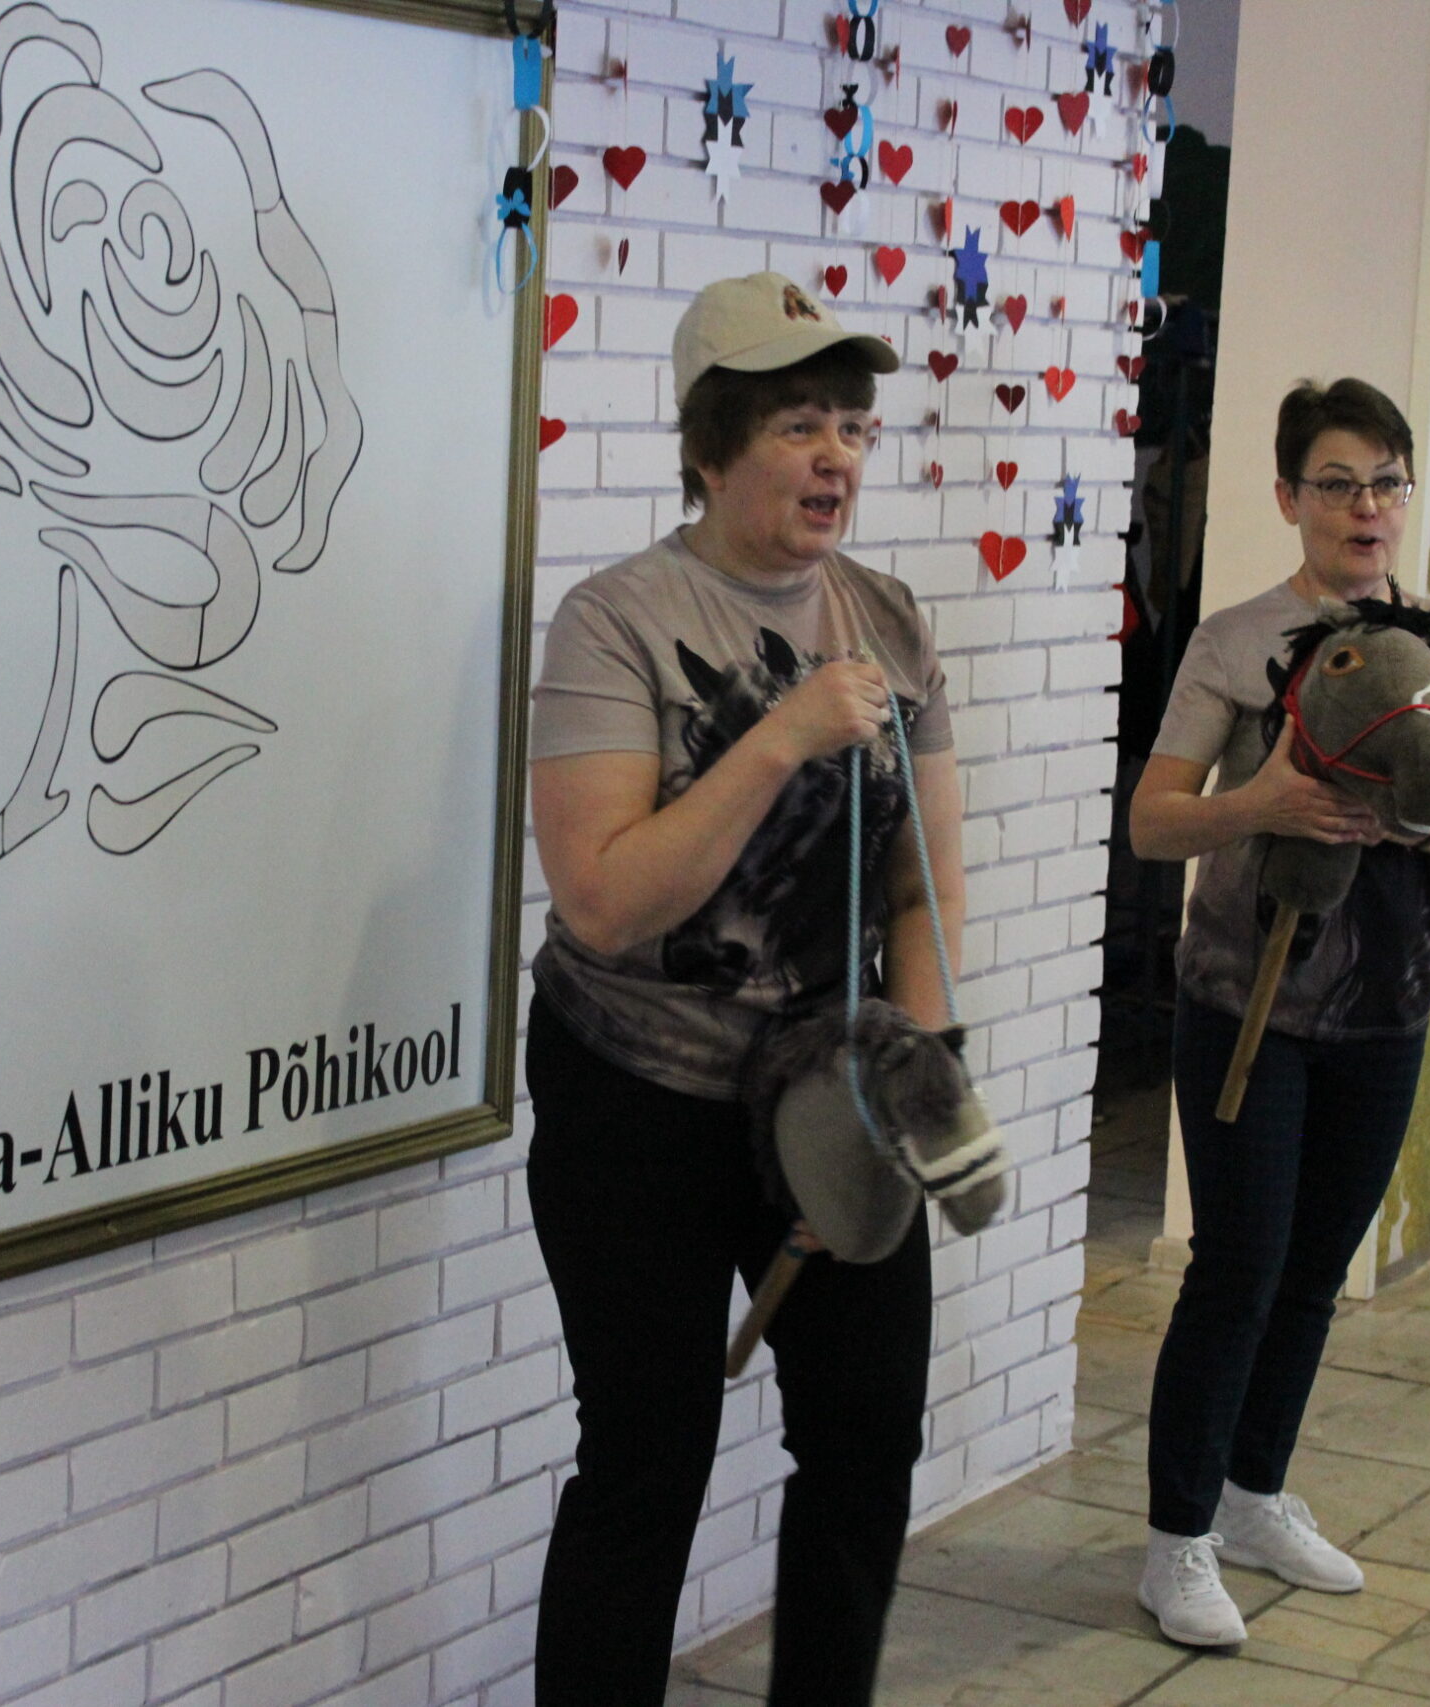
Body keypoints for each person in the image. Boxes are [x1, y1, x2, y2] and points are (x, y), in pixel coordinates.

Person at [523, 272, 965, 1706]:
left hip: (833, 1091)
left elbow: (924, 890)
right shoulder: (614, 620)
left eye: (853, 425)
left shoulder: (888, 621)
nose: (837, 456)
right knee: (647, 1458)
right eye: (798, 425)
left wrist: (916, 1072)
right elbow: (603, 899)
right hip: (635, 1094)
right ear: (712, 446)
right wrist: (777, 736)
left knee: (867, 1438)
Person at [1126, 378, 1430, 1647]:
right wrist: (1265, 805)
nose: (1366, 507)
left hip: (1387, 1005)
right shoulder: (1236, 640)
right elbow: (1153, 822)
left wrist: (1413, 815)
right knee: (1235, 1267)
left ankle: (1254, 1497)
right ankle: (1176, 1541)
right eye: (1337, 483)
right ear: (1288, 496)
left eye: (1385, 482)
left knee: (1312, 1271)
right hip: (1245, 1003)